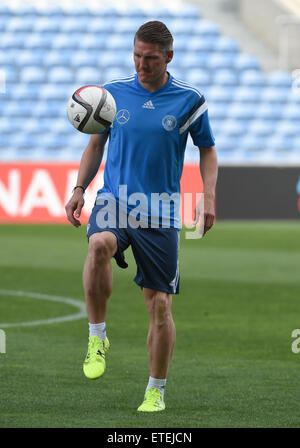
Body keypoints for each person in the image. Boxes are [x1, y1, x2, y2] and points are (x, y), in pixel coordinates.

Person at [65, 20, 218, 412]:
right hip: (116, 200)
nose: (141, 65)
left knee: (160, 306)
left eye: (149, 58)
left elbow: (207, 149)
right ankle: (97, 337)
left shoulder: (190, 100)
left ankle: (155, 390)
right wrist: (80, 189)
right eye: (136, 56)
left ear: (168, 56)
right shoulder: (112, 94)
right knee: (98, 243)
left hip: (162, 214)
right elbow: (95, 145)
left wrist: (209, 195)